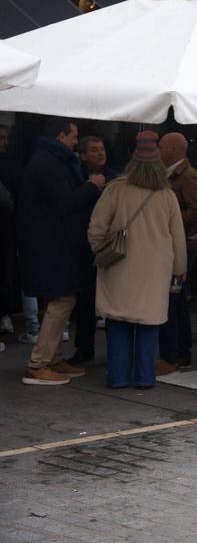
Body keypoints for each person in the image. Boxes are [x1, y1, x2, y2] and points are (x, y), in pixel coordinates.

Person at [87, 132, 187, 390]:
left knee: (118, 322)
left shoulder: (115, 189)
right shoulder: (167, 195)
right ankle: (144, 377)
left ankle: (118, 377)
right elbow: (178, 237)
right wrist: (180, 268)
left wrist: (102, 251)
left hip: (118, 266)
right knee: (149, 324)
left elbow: (96, 228)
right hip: (156, 271)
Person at [19, 118, 105, 386]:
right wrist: (91, 186)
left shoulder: (49, 160)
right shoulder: (49, 164)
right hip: (51, 245)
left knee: (59, 299)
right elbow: (64, 202)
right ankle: (40, 363)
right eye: (73, 137)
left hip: (52, 243)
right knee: (62, 300)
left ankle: (53, 358)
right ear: (60, 136)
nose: (75, 142)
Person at [158, 132, 197, 371]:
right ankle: (177, 349)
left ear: (174, 149)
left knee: (175, 301)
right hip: (176, 244)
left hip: (184, 246)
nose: (158, 149)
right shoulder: (171, 174)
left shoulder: (188, 176)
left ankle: (177, 351)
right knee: (176, 301)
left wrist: (171, 222)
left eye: (162, 145)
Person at [70, 135, 118, 366]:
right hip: (82, 244)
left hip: (110, 246)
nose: (100, 153)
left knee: (113, 301)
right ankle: (84, 348)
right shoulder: (75, 175)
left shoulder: (115, 177)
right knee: (85, 301)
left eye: (102, 149)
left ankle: (117, 353)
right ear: (83, 154)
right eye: (94, 150)